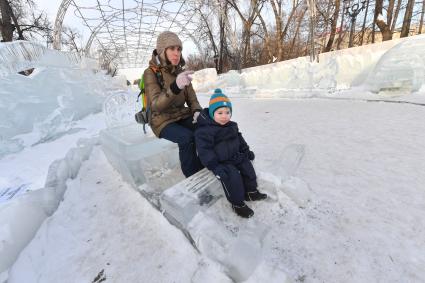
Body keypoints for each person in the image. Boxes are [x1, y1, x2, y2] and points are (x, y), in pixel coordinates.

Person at [194, 89, 267, 218]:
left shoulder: (232, 125)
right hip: (221, 162)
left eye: (228, 112)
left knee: (247, 167)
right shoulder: (205, 131)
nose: (224, 116)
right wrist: (215, 167)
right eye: (220, 113)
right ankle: (237, 203)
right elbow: (205, 150)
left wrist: (246, 151)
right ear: (212, 114)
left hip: (235, 156)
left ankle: (251, 191)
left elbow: (239, 139)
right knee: (232, 178)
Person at [144, 31, 204, 178]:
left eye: (179, 49)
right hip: (161, 120)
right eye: (172, 49)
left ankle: (208, 165)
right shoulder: (150, 72)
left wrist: (197, 111)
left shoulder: (181, 72)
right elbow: (156, 105)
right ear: (162, 51)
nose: (176, 53)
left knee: (206, 123)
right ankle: (194, 178)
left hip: (180, 115)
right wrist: (175, 87)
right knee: (187, 138)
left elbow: (192, 99)